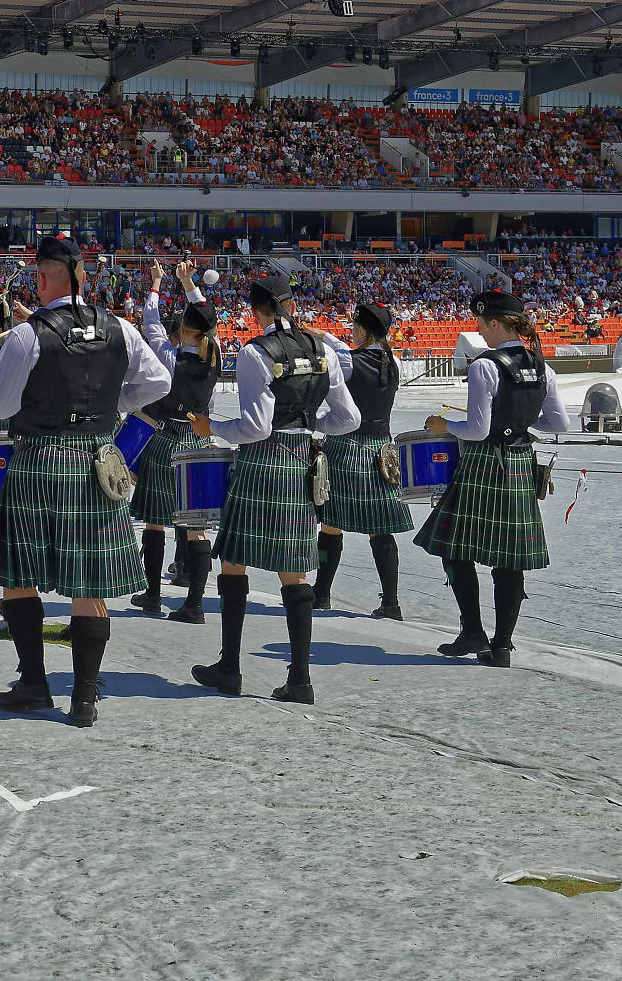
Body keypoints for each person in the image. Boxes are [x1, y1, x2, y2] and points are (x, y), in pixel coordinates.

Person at [0, 236, 170, 728]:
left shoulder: (28, 334)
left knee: (20, 576)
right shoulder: (120, 327)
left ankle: (34, 683)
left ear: (41, 277)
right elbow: (159, 383)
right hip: (99, 459)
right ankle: (84, 698)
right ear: (83, 276)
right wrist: (111, 406)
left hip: (41, 459)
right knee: (90, 582)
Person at [189, 274, 359, 705]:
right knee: (293, 568)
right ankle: (299, 678)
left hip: (264, 459)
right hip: (302, 458)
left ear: (257, 310)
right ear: (288, 304)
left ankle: (230, 667)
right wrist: (310, 425)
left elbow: (255, 427)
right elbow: (349, 419)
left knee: (233, 559)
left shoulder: (255, 352)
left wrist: (213, 428)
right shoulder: (325, 349)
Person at [413, 289, 569, 667]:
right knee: (510, 557)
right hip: (519, 462)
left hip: (484, 464)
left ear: (495, 323)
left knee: (454, 546)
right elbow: (559, 423)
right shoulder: (542, 366)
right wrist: (522, 425)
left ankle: (472, 630)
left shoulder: (486, 365)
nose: (479, 331)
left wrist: (442, 424)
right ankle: (501, 646)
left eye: (481, 324)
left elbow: (477, 429)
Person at [130, 262, 219, 623]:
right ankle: (195, 604)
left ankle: (152, 594)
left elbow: (150, 323)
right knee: (195, 527)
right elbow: (204, 319)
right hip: (196, 442)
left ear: (182, 330)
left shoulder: (168, 358)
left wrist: (156, 284)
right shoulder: (214, 354)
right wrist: (188, 285)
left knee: (154, 522)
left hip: (166, 439)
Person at [313, 302, 412, 620]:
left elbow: (340, 363)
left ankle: (321, 595)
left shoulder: (348, 362)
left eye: (355, 328)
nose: (350, 333)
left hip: (346, 447)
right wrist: (325, 334)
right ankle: (392, 603)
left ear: (364, 332)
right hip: (382, 449)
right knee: (381, 529)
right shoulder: (391, 360)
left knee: (330, 523)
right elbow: (345, 348)